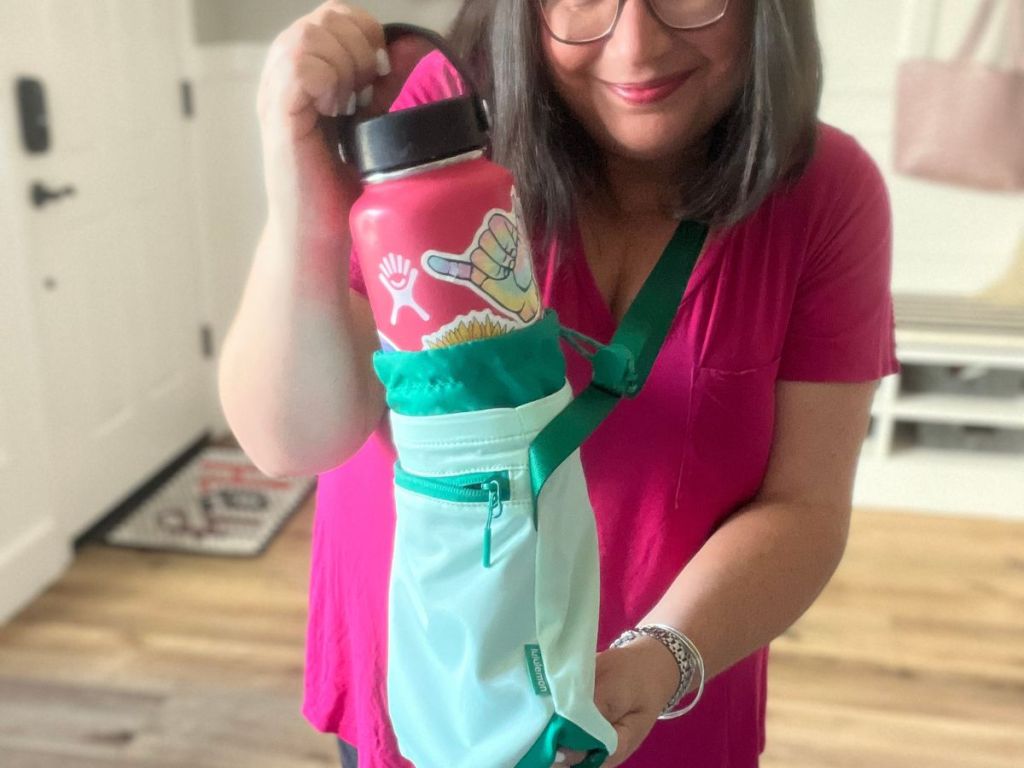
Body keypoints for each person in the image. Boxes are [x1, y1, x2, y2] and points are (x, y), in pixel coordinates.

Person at [217, 0, 900, 766]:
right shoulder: (425, 142)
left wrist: (662, 657)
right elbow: (289, 439)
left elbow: (802, 503)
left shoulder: (824, 192)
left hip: (662, 689)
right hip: (434, 694)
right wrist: (302, 202)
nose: (636, 45)